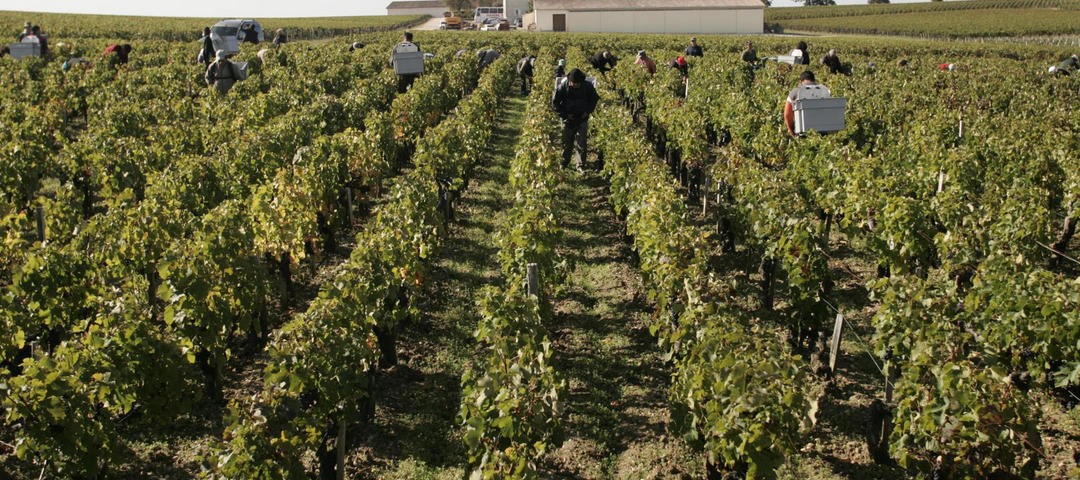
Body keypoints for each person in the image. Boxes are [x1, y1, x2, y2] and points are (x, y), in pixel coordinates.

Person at [551, 68, 600, 172]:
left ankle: (580, 165)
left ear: (581, 81)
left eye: (577, 83)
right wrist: (565, 115)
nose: (574, 84)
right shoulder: (563, 86)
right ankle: (564, 163)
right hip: (568, 119)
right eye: (573, 82)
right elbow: (555, 103)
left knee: (582, 143)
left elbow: (594, 99)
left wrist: (587, 111)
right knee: (566, 142)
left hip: (582, 119)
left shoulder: (588, 86)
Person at [783, 71, 820, 137]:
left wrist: (792, 131)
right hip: (823, 131)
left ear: (801, 81)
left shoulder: (795, 92)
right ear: (814, 80)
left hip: (803, 132)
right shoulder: (824, 90)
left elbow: (787, 114)